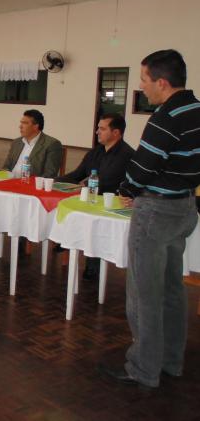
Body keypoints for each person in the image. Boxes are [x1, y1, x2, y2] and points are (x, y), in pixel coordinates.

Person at [99, 50, 200, 389]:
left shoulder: (166, 117)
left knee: (144, 293)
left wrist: (129, 187)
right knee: (172, 288)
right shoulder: (196, 110)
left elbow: (144, 165)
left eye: (143, 79)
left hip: (155, 210)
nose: (141, 87)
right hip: (185, 207)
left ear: (161, 82)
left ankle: (143, 368)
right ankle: (171, 361)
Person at [56, 113, 135, 280]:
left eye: (102, 129)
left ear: (116, 133)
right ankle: (63, 240)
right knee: (63, 204)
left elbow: (112, 183)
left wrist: (86, 186)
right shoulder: (96, 152)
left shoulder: (127, 155)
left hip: (111, 204)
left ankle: (93, 264)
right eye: (98, 128)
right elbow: (77, 174)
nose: (97, 132)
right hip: (90, 199)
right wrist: (52, 181)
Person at [2, 109, 63, 178]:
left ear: (36, 126)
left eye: (25, 123)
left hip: (30, 184)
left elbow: (50, 174)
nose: (20, 126)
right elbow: (6, 167)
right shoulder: (16, 142)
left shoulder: (52, 144)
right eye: (21, 123)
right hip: (9, 181)